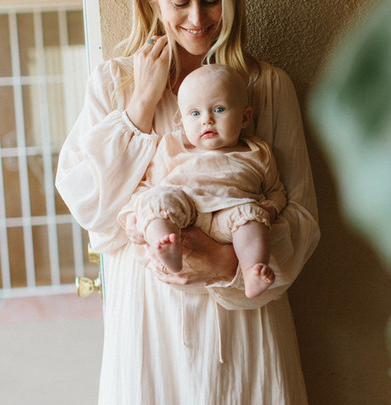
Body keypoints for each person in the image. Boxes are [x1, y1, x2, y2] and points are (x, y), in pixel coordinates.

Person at [55, 0, 320, 405]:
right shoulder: (114, 83)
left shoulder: (265, 88)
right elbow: (92, 205)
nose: (199, 18)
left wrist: (226, 259)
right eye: (181, 2)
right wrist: (142, 107)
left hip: (246, 329)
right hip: (151, 337)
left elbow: (304, 219)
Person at [119, 63, 287, 299]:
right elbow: (147, 188)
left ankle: (251, 270)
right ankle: (165, 244)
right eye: (195, 114)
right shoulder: (172, 146)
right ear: (183, 121)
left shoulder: (257, 152)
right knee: (157, 199)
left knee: (250, 215)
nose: (206, 120)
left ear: (245, 117)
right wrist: (133, 218)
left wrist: (271, 208)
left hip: (228, 215)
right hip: (183, 206)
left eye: (219, 109)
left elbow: (276, 191)